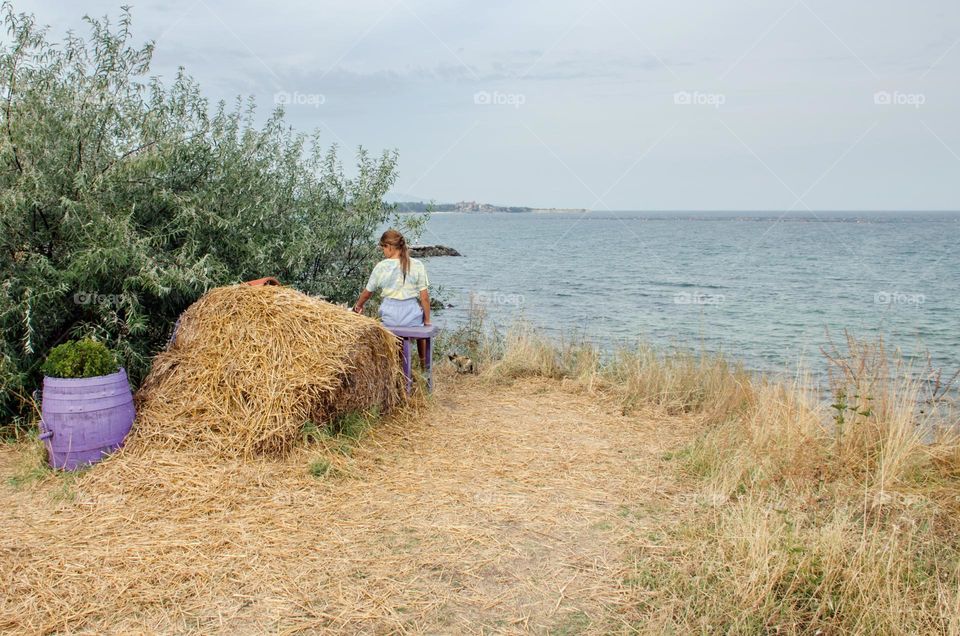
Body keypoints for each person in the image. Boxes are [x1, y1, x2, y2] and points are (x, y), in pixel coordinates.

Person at [353, 229, 431, 367]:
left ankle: (399, 367)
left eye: (383, 247)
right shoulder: (417, 265)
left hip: (389, 316)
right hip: (410, 316)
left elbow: (367, 293)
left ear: (388, 247)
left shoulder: (381, 266)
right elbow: (424, 297)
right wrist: (427, 320)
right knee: (421, 322)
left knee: (394, 331)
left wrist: (358, 306)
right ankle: (423, 364)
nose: (383, 251)